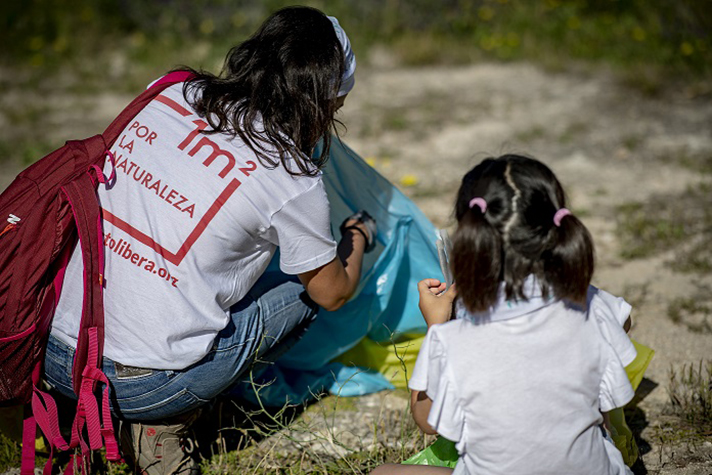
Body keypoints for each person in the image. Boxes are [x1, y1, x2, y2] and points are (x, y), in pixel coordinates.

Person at [43, 6, 373, 474]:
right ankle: (169, 420)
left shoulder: (170, 91)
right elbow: (333, 291)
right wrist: (356, 237)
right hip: (145, 384)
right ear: (322, 100)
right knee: (305, 292)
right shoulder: (292, 175)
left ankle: (85, 414)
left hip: (57, 354)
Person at [373, 154, 636, 475]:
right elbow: (624, 320)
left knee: (383, 473)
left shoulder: (455, 338)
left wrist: (436, 327)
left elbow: (427, 420)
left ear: (470, 238)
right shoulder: (589, 302)